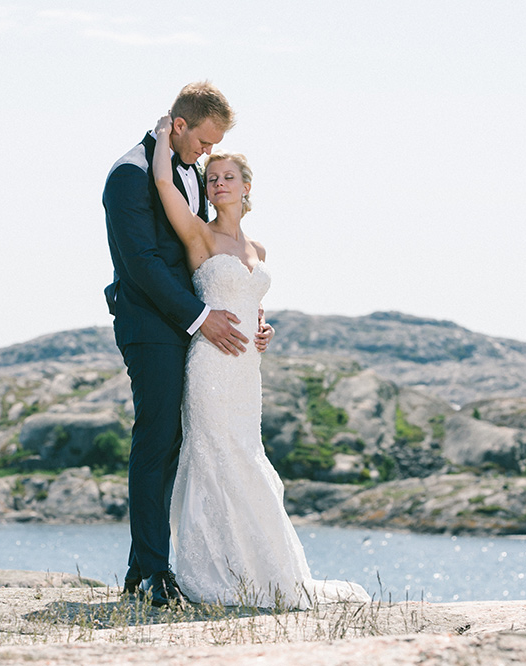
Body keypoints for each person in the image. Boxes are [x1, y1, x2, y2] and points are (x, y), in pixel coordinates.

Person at [151, 116, 370, 609]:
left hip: (247, 372)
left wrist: (263, 327)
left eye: (228, 176)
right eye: (212, 178)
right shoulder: (200, 238)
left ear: (246, 187)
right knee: (215, 456)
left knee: (248, 457)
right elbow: (164, 181)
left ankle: (266, 570)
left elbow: (253, 304)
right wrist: (164, 136)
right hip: (210, 366)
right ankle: (217, 569)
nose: (218, 184)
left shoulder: (259, 248)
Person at [103, 82, 273, 607]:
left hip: (196, 331)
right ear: (178, 127)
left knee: (183, 445)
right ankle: (152, 571)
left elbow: (207, 258)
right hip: (152, 326)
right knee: (156, 439)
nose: (206, 155)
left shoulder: (190, 173)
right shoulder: (128, 174)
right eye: (202, 143)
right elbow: (142, 264)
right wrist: (202, 317)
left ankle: (147, 565)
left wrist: (250, 315)